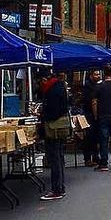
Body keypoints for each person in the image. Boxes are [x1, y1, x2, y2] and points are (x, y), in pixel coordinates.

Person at [39, 70, 69, 200]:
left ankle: (57, 189)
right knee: (59, 157)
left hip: (54, 128)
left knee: (55, 158)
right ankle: (60, 187)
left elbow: (54, 110)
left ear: (45, 79)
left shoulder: (52, 90)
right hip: (61, 127)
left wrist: (43, 116)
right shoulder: (60, 86)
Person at [81, 69, 101, 167]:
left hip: (95, 114)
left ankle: (95, 157)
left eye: (98, 74)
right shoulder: (88, 86)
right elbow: (90, 101)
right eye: (96, 74)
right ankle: (88, 158)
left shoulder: (97, 85)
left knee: (95, 137)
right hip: (89, 114)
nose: (98, 76)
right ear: (91, 75)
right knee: (89, 137)